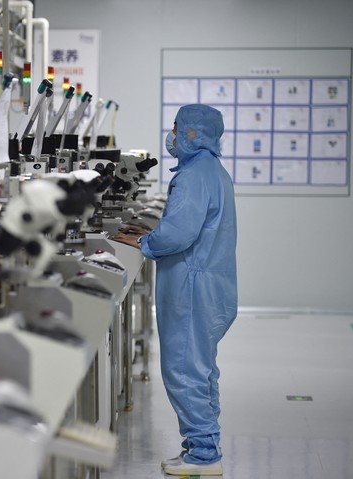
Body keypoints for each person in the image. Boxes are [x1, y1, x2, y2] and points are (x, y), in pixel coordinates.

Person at [114, 104, 237, 476]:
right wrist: (150, 237)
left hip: (191, 287)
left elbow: (180, 232)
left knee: (184, 371)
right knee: (200, 370)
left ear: (192, 134)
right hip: (210, 286)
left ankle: (203, 456)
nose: (171, 135)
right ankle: (202, 444)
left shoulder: (195, 175)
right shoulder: (211, 171)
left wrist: (147, 243)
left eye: (176, 128)